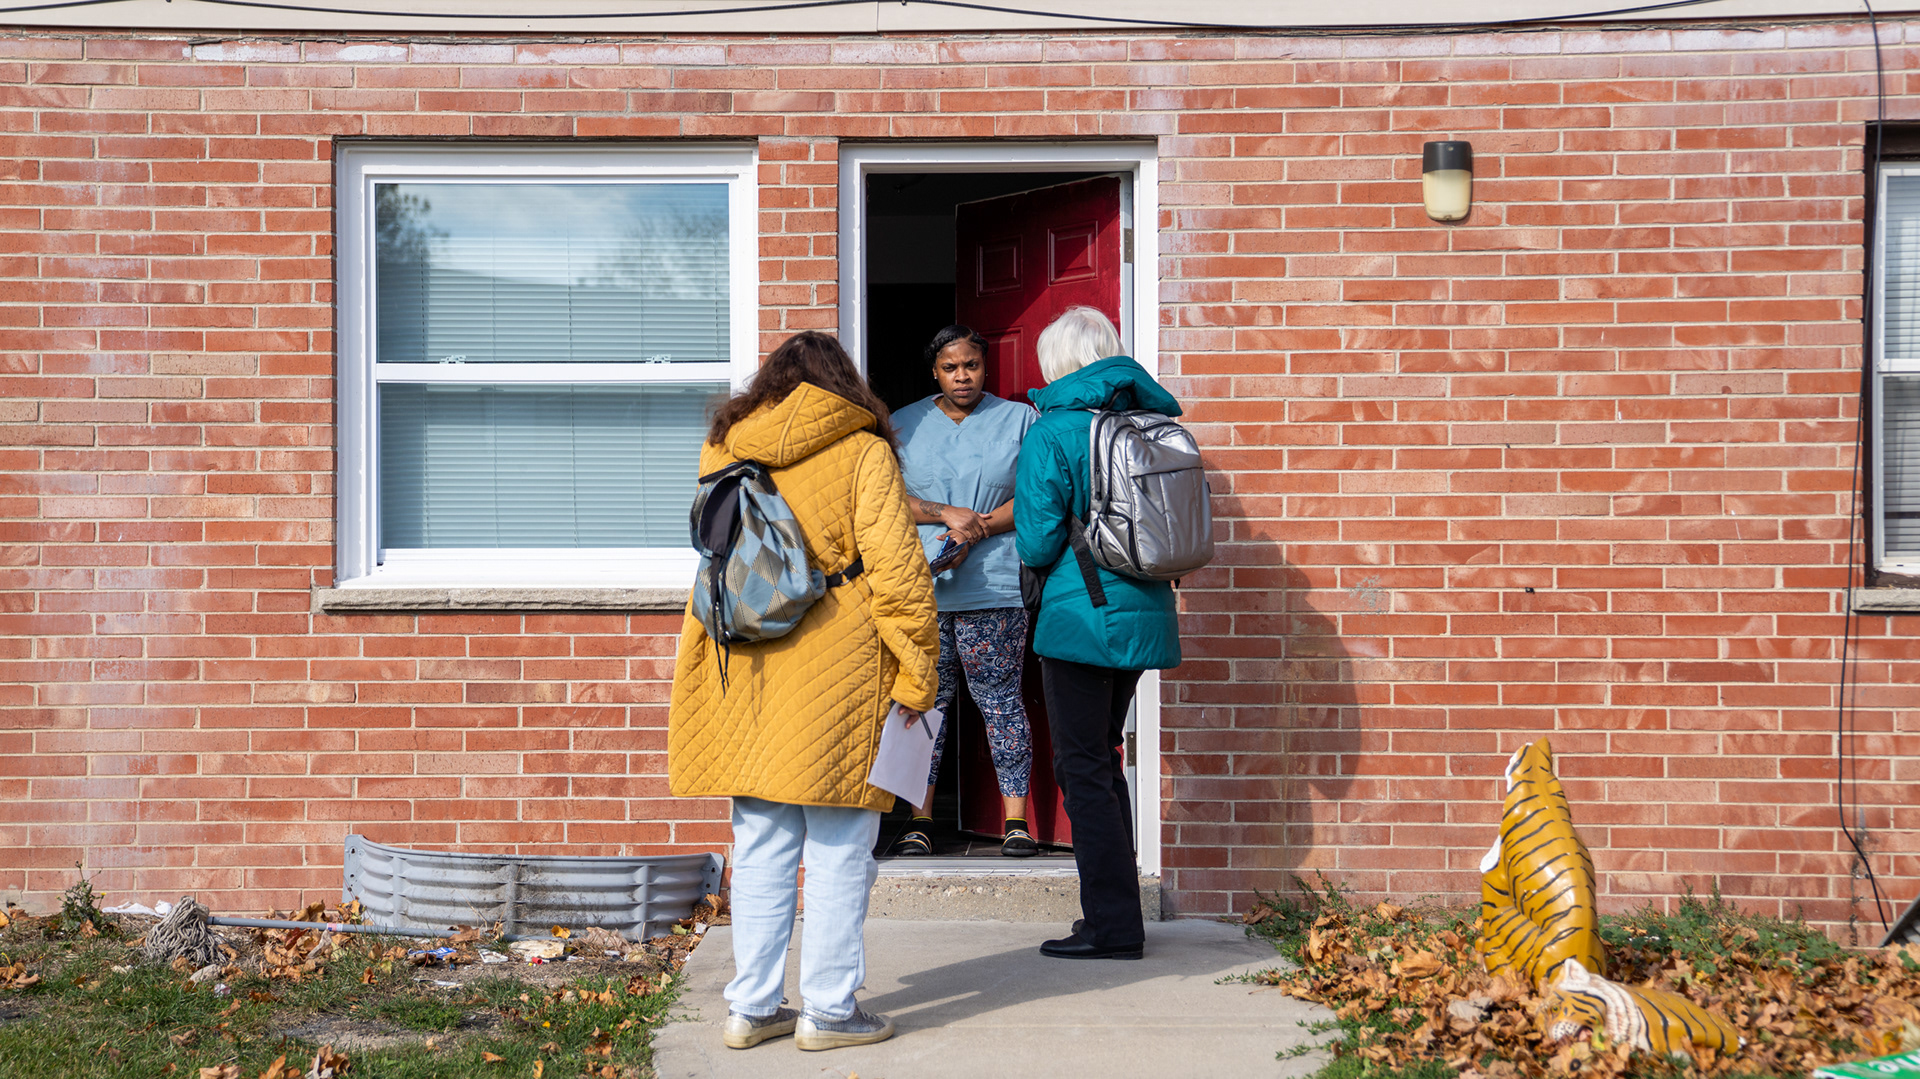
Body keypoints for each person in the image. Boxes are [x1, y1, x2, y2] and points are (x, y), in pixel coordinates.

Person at [668, 331, 940, 1051]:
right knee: (842, 843)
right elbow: (899, 573)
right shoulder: (862, 449)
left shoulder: (726, 447)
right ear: (844, 384)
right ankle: (828, 1008)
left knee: (759, 842)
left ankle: (752, 1005)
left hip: (748, 664)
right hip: (840, 668)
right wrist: (919, 671)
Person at [1015, 306, 1183, 962]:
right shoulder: (1148, 421)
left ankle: (1112, 925)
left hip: (1081, 615)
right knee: (1103, 756)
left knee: (1081, 765)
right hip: (1145, 611)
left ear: (1056, 364)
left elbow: (1034, 541)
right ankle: (1121, 915)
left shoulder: (1054, 432)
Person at [886, 325, 1040, 859]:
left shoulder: (1020, 419)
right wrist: (944, 515)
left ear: (985, 367)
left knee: (1000, 703)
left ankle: (1016, 822)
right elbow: (883, 499)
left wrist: (979, 527)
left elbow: (1039, 496)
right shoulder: (902, 424)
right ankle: (919, 820)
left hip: (995, 589)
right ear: (935, 371)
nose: (962, 376)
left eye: (971, 365)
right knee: (925, 705)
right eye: (950, 367)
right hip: (921, 590)